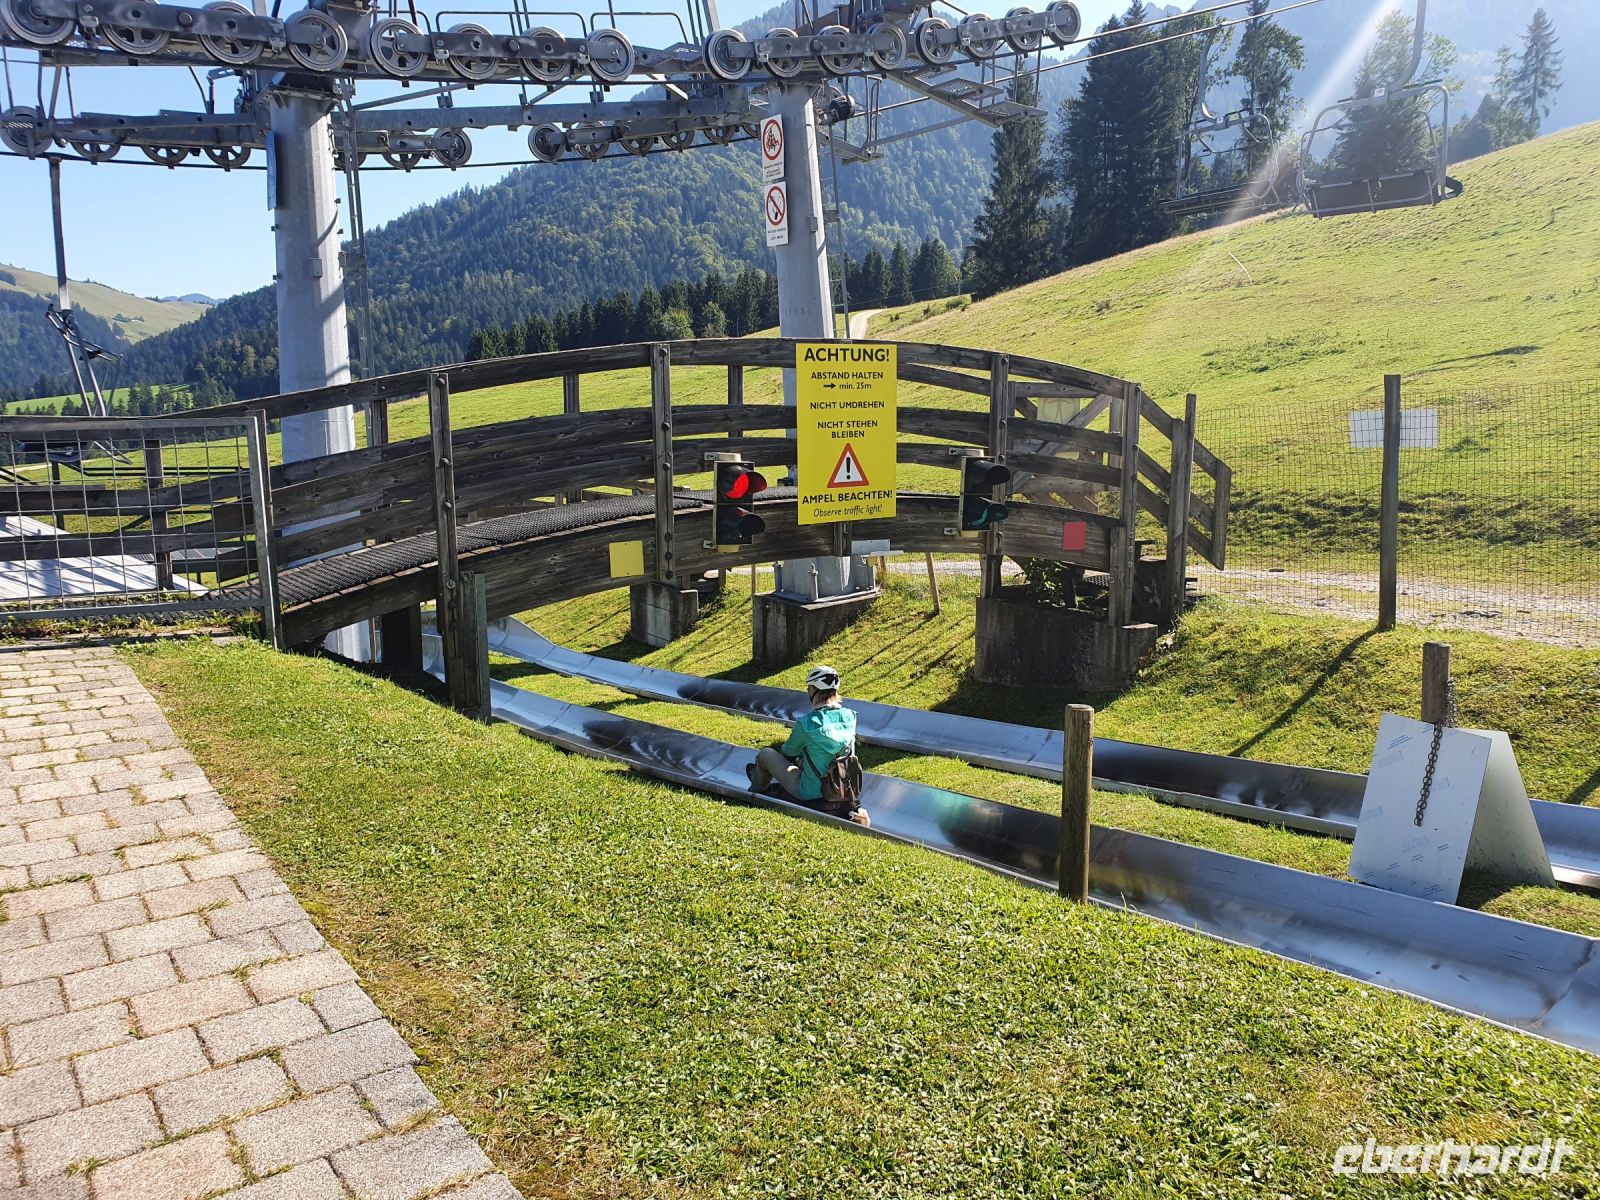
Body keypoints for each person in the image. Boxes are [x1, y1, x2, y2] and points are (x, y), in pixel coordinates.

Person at [747, 664, 869, 826]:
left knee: (766, 754)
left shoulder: (807, 724)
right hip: (844, 791)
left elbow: (787, 753)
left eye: (809, 688)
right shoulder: (850, 717)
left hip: (811, 793)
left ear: (814, 691)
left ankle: (755, 792)